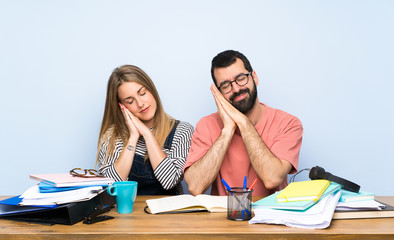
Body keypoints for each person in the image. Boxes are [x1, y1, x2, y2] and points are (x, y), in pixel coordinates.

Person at [183, 50, 303, 196]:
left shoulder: (288, 123)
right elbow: (195, 186)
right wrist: (227, 130)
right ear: (219, 93)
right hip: (221, 217)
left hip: (270, 216)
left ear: (254, 77)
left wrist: (243, 123)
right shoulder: (206, 125)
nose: (236, 89)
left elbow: (272, 178)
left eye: (241, 78)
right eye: (226, 85)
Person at [96, 65, 193, 195]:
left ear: (152, 90)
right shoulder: (112, 136)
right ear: (122, 107)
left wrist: (147, 135)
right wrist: (133, 138)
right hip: (127, 213)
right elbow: (112, 188)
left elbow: (169, 181)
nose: (140, 104)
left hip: (168, 214)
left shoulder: (182, 131)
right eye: (130, 101)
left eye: (142, 93)